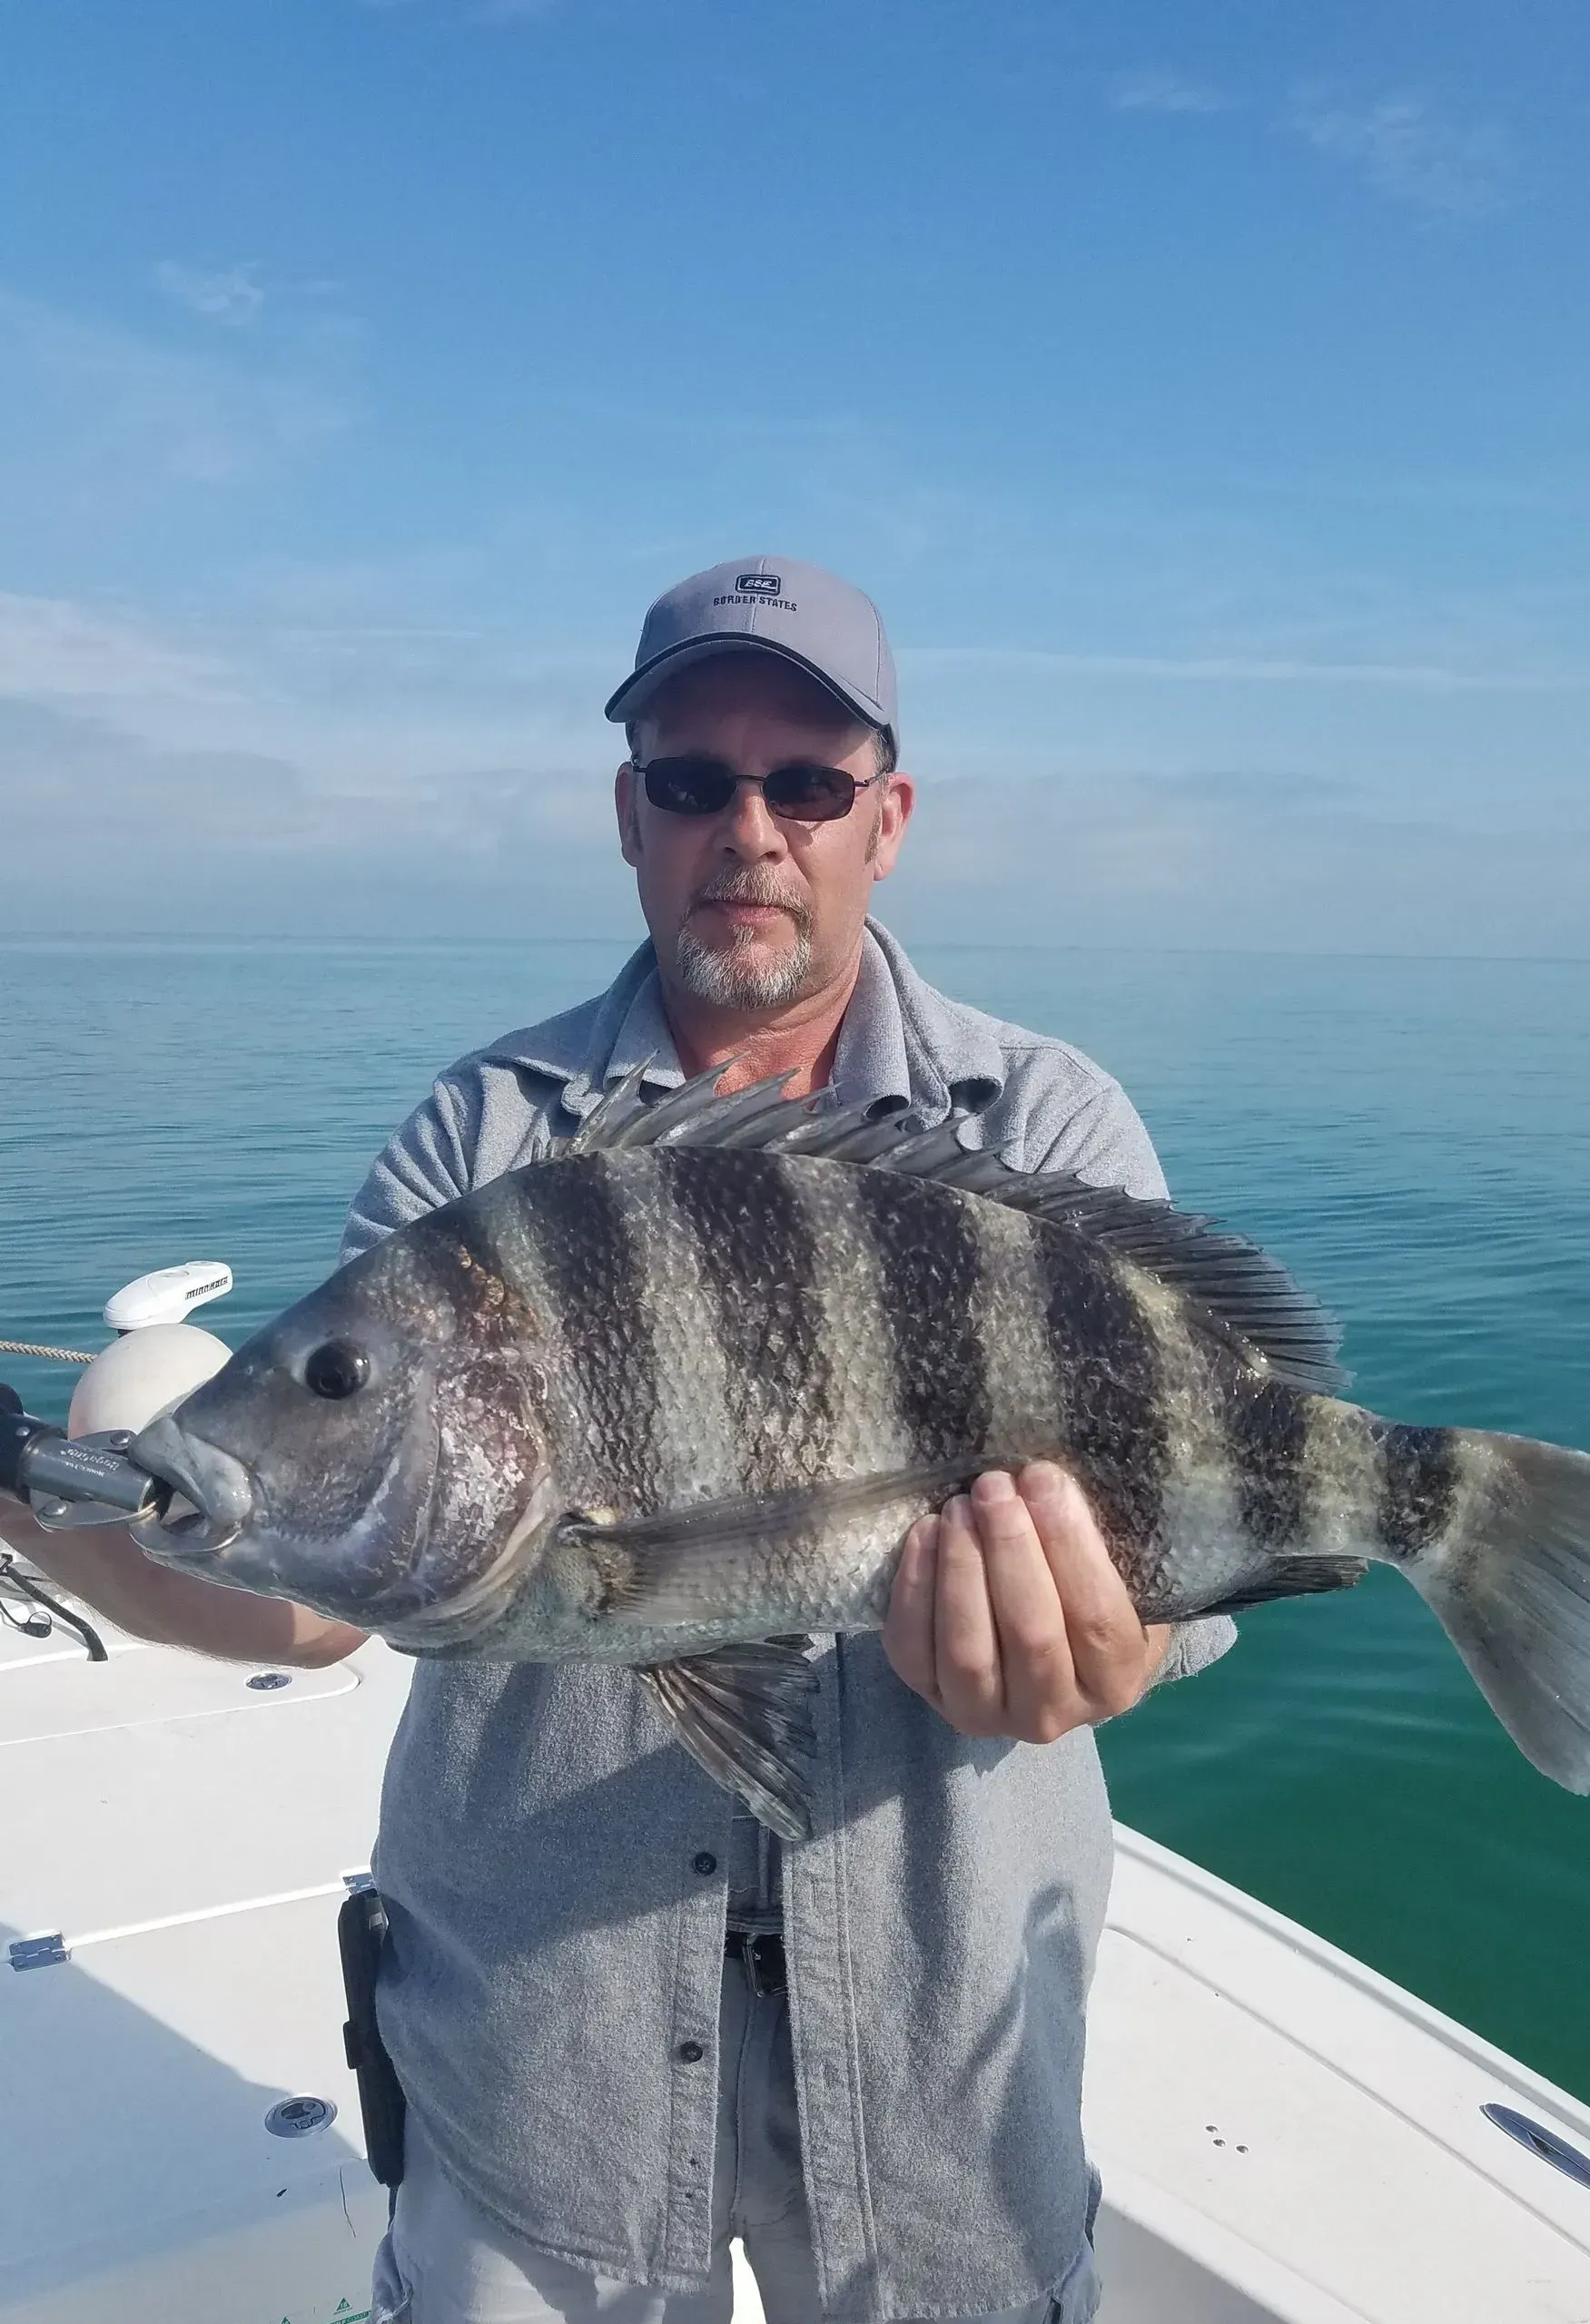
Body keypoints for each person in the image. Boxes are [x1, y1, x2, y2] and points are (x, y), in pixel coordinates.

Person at [5, 557, 1234, 2324]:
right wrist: (35, 1506)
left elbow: (1181, 1551)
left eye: (805, 782)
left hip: (943, 2081)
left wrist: (1102, 1650)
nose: (751, 827)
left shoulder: (1042, 1127)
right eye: (693, 779)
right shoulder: (485, 1138)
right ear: (628, 814)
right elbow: (319, 1589)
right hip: (541, 2071)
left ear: (885, 819)